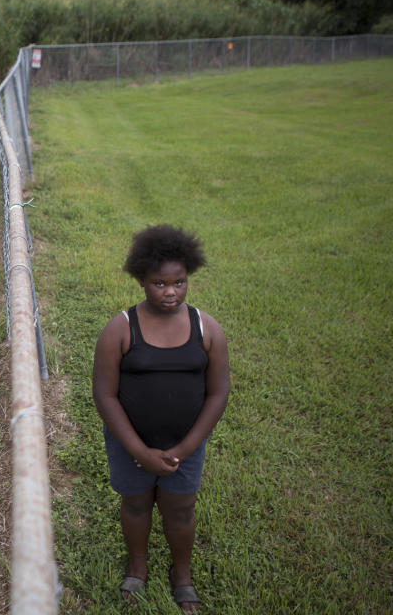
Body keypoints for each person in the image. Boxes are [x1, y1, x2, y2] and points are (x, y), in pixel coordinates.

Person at [92, 224, 230, 612]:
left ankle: (181, 574)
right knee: (136, 504)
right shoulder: (120, 328)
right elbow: (104, 394)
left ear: (189, 278)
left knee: (180, 508)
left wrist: (185, 448)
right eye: (159, 283)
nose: (170, 292)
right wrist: (138, 449)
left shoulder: (207, 328)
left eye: (179, 282)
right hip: (130, 444)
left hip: (184, 445)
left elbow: (218, 392)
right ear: (141, 280)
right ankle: (138, 565)